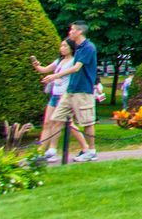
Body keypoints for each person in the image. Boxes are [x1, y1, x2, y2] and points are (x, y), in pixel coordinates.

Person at [41, 22, 99, 162]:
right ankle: (51, 151)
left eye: (72, 30)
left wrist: (55, 76)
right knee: (57, 118)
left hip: (83, 90)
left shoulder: (88, 48)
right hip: (71, 90)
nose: (70, 32)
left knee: (87, 122)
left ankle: (91, 151)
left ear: (79, 32)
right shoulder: (79, 48)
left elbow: (76, 68)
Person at [31, 40, 87, 161]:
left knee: (67, 124)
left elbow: (73, 73)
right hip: (54, 95)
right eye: (61, 45)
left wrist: (55, 77)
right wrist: (36, 65)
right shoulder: (59, 61)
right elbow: (44, 70)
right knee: (47, 123)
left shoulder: (74, 62)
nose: (62, 48)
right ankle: (40, 152)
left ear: (71, 48)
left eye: (65, 46)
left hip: (65, 96)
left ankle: (85, 148)